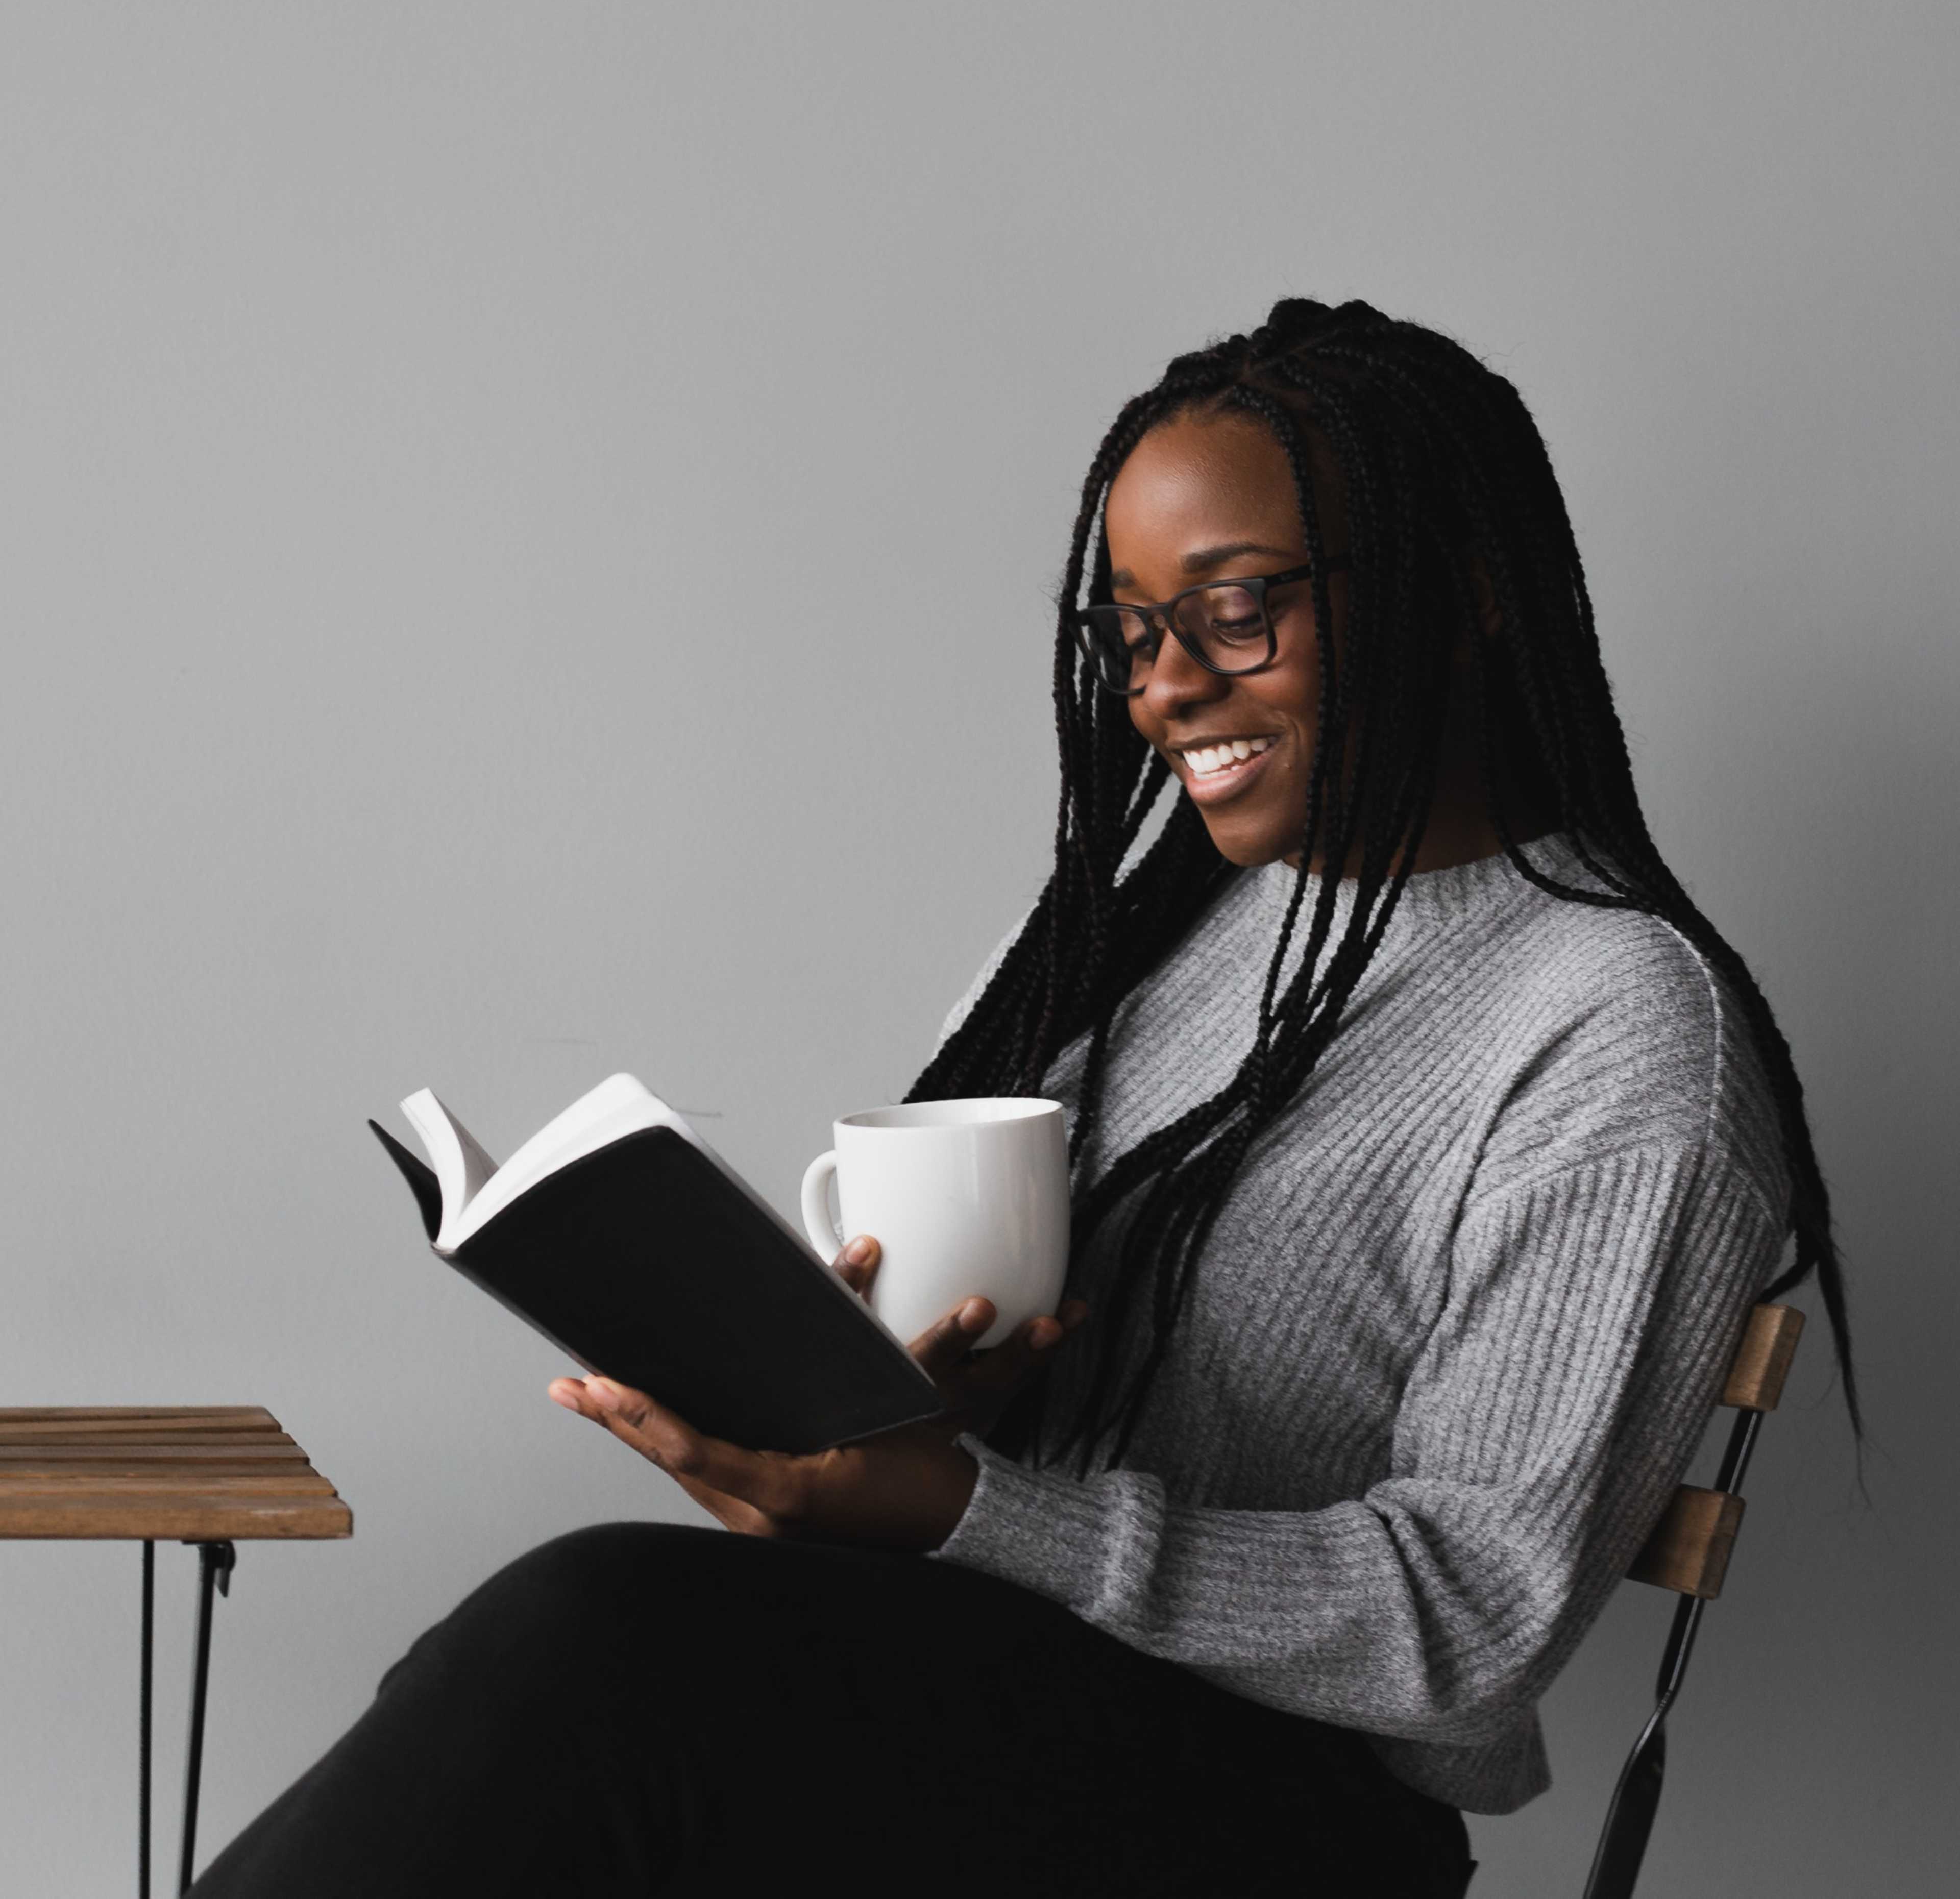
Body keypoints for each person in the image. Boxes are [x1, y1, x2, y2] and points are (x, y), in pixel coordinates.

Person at [191, 299, 1858, 1898]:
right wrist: (891, 1430)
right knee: (520, 1705)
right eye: (1131, 632)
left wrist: (982, 1511)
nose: (1162, 688)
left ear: (1470, 586)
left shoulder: (1620, 1027)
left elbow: (1475, 1622)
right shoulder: (1143, 935)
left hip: (1285, 1825)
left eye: (1235, 607)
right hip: (1007, 1712)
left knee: (591, 1654)